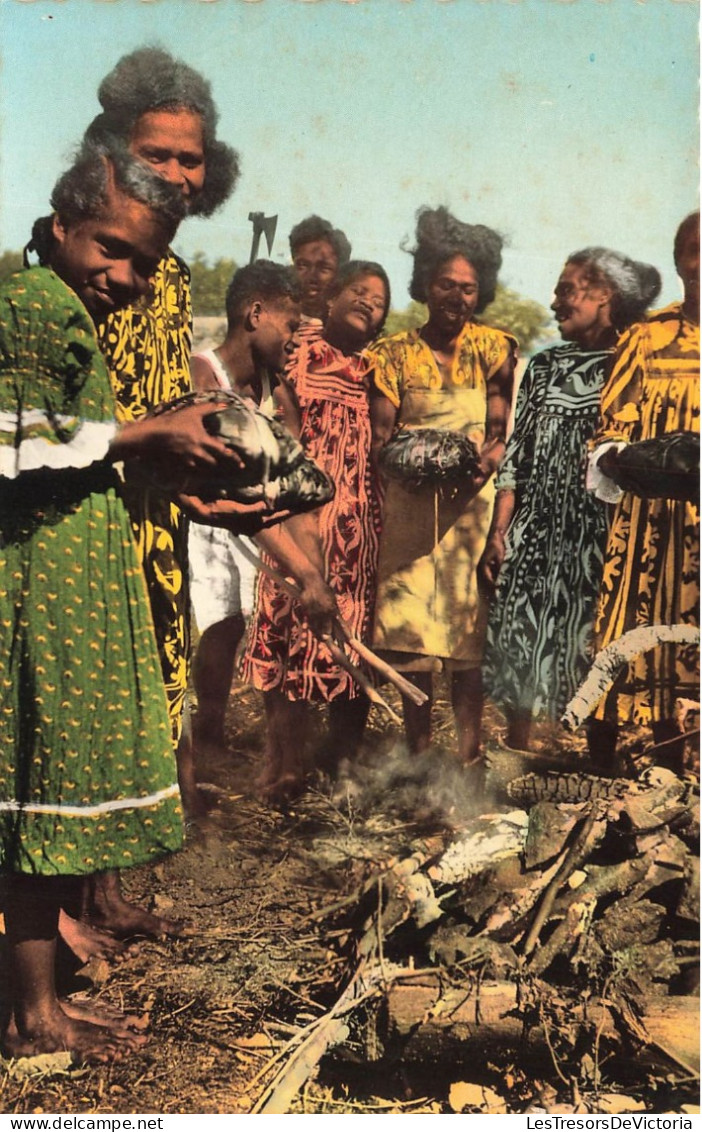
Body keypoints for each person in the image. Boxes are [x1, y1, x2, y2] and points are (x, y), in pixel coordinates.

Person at [0, 145, 249, 1064]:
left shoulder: (63, 305)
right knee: (42, 780)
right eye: (111, 249)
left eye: (145, 264)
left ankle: (35, 998)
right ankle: (30, 1015)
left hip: (71, 571)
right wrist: (147, 431)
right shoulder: (31, 305)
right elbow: (13, 444)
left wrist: (169, 471)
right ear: (62, 224)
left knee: (52, 779)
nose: (128, 277)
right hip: (38, 581)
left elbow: (75, 448)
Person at [73, 47, 239, 940]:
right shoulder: (78, 247)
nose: (175, 172)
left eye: (191, 158)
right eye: (157, 154)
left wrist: (204, 481)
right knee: (83, 707)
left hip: (152, 517)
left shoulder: (172, 277)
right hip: (82, 513)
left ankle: (99, 893)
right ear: (109, 150)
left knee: (142, 700)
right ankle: (61, 909)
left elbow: (169, 395)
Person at [480, 248, 662, 752]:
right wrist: (499, 533)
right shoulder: (544, 366)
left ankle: (600, 764)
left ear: (605, 293)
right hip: (536, 532)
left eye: (567, 289)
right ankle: (516, 760)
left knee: (596, 644)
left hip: (602, 536)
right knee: (522, 639)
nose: (556, 300)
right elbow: (516, 456)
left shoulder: (632, 362)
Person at [369, 207, 516, 777]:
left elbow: (500, 430)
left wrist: (483, 464)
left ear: (483, 292)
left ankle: (470, 756)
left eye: (469, 288)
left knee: (464, 642)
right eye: (446, 285)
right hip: (409, 509)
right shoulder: (391, 355)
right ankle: (419, 757)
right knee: (410, 641)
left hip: (469, 512)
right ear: (425, 286)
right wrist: (410, 465)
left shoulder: (496, 347)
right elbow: (384, 437)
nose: (457, 297)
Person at [242, 261, 391, 801]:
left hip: (358, 527)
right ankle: (283, 766)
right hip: (296, 514)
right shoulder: (297, 346)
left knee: (347, 644)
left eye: (379, 300)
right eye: (358, 291)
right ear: (328, 299)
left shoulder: (380, 366)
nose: (368, 302)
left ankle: (341, 766)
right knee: (288, 641)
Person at [585, 212, 700, 774]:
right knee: (629, 630)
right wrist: (637, 458)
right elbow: (609, 430)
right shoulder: (646, 338)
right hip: (652, 521)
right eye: (695, 250)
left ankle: (683, 784)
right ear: (679, 260)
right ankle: (604, 775)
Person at [188, 262, 306, 751]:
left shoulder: (266, 382)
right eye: (291, 326)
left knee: (239, 621)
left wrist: (281, 383)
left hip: (250, 522)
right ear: (256, 314)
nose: (296, 339)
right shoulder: (203, 371)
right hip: (210, 523)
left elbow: (293, 441)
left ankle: (216, 738)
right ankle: (205, 735)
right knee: (216, 626)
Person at [289, 214, 352, 335]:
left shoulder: (346, 334)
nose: (312, 276)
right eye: (303, 265)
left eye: (324, 268)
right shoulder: (274, 323)